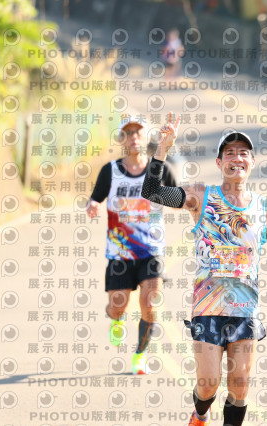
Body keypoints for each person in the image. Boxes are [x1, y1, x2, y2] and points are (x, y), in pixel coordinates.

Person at [141, 113, 267, 426]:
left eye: (243, 153)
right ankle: (200, 414)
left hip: (245, 309)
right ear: (219, 162)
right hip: (208, 308)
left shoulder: (263, 206)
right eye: (229, 153)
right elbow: (152, 192)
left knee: (240, 387)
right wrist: (162, 150)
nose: (237, 158)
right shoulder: (201, 196)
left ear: (252, 162)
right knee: (208, 384)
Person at [86, 115, 178, 374]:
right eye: (128, 133)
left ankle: (140, 354)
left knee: (150, 304)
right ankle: (116, 320)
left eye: (138, 132)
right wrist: (93, 204)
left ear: (146, 137)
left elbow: (180, 197)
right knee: (117, 306)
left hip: (151, 250)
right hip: (120, 252)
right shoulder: (111, 171)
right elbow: (96, 198)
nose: (134, 137)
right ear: (121, 139)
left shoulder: (159, 170)